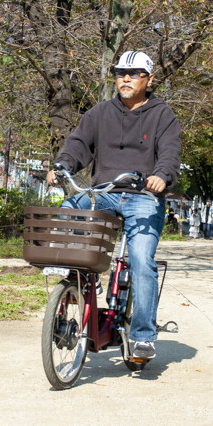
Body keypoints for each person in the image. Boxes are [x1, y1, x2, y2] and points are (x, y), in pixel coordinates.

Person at [45, 50, 181, 361]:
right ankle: (70, 270)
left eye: (134, 73)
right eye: (121, 73)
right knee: (72, 204)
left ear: (149, 79)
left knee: (141, 260)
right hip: (104, 191)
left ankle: (143, 336)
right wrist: (62, 165)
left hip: (144, 196)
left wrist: (162, 175)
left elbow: (170, 153)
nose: (126, 78)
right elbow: (78, 144)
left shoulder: (163, 115)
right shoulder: (98, 113)